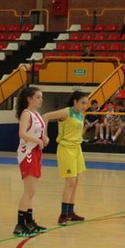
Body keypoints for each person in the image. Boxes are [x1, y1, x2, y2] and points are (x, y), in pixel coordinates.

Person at [43, 91, 89, 226]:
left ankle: (70, 212)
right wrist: (44, 135)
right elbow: (45, 116)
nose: (85, 106)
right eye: (83, 103)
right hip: (66, 148)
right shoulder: (66, 112)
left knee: (76, 182)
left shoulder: (81, 114)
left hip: (77, 148)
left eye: (86, 103)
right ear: (75, 101)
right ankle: (63, 215)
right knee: (70, 182)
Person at [14, 87, 49, 236]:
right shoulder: (26, 114)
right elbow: (22, 133)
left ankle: (29, 222)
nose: (41, 100)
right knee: (28, 191)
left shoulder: (37, 114)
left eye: (41, 97)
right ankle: (19, 225)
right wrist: (37, 141)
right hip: (27, 153)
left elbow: (39, 133)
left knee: (32, 191)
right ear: (29, 99)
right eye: (38, 97)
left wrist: (44, 138)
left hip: (35, 152)